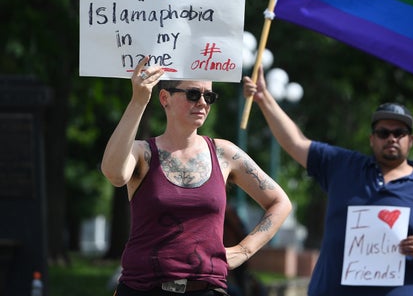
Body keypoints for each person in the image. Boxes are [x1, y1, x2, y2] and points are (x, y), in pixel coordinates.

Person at [243, 68, 413, 296]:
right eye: (383, 132)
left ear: (411, 140)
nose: (391, 138)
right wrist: (264, 99)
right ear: (372, 139)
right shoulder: (342, 166)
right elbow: (296, 142)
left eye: (400, 133)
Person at [102, 57, 292, 296]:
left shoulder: (225, 153)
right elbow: (114, 174)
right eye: (193, 94)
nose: (202, 102)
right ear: (165, 98)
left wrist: (244, 250)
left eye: (209, 96)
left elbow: (280, 202)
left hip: (207, 289)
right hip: (143, 288)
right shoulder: (143, 152)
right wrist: (138, 101)